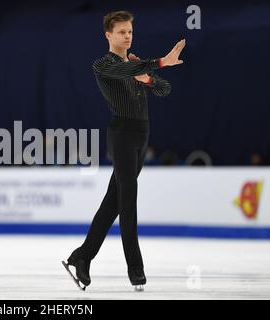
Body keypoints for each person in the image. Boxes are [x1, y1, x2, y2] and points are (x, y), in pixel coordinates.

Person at [63, 10, 186, 291]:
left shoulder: (135, 63)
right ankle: (136, 269)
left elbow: (164, 88)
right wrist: (159, 62)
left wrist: (149, 78)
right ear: (109, 35)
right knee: (128, 201)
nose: (127, 36)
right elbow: (124, 71)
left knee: (113, 203)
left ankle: (82, 256)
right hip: (121, 135)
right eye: (121, 32)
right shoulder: (104, 64)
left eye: (130, 31)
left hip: (142, 136)